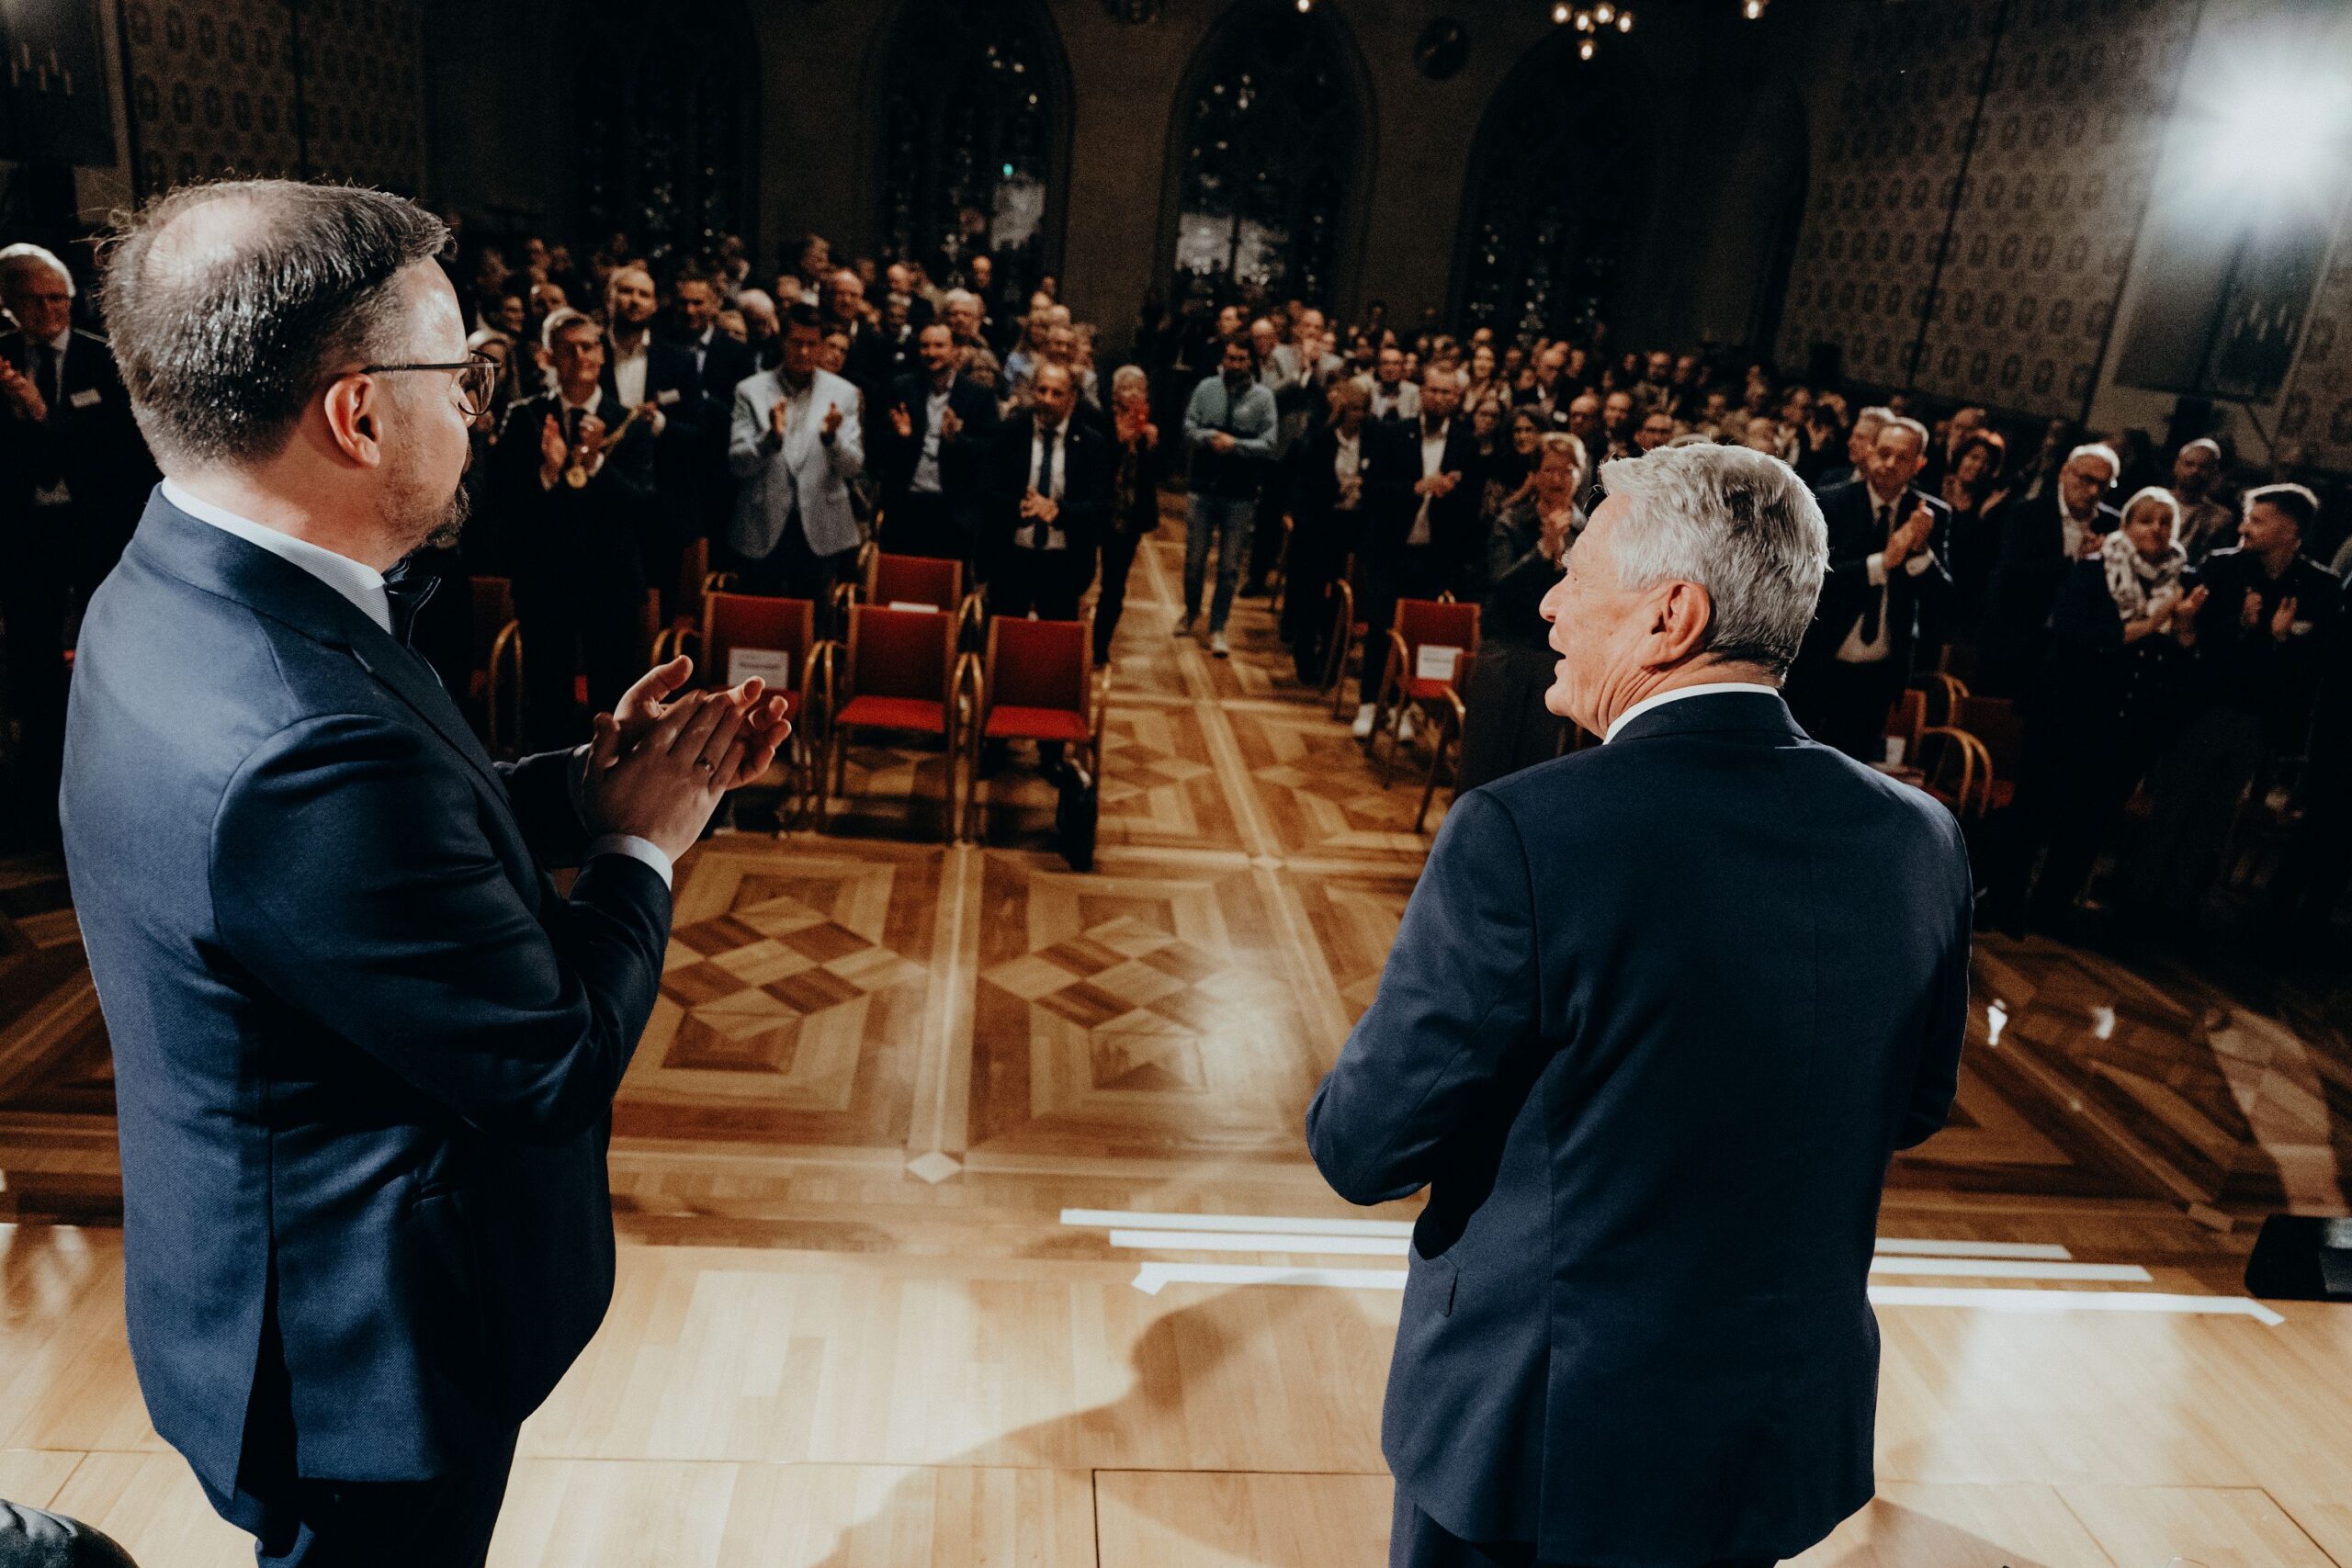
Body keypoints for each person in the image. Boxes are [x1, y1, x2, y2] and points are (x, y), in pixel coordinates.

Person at [60, 178, 788, 1568]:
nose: (475, 407)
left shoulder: (175, 583)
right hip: (365, 1358)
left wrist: (576, 789)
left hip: (259, 1272)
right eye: (460, 376)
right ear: (358, 414)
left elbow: (353, 875)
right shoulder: (302, 734)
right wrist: (644, 841)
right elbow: (551, 1063)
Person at [1307, 442, 1971, 1568]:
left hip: (1545, 1438)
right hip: (1770, 1432)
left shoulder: (1523, 833)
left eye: (1576, 574)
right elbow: (1911, 1104)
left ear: (1671, 614)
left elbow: (1364, 1149)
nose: (1549, 602)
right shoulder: (1920, 836)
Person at [2122, 483, 2342, 927]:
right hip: (2203, 709)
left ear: (2290, 530)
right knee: (2173, 807)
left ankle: (2178, 907)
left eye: (2257, 521)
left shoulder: (2320, 586)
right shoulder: (2221, 567)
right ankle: (2135, 901)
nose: (2244, 528)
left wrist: (2279, 639)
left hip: (2259, 721)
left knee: (2215, 818)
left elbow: (2318, 663)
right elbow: (2192, 636)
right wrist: (2244, 627)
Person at [1985, 486, 2197, 935]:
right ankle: (2003, 904)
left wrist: (2182, 631)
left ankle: (2051, 912)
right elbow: (2076, 632)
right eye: (2147, 519)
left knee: (2089, 822)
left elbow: (2177, 661)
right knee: (2034, 812)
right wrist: (2152, 624)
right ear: (2127, 525)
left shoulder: (2180, 583)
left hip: (2125, 720)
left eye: (2167, 522)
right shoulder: (2095, 568)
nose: (2157, 529)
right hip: (2066, 709)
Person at [0, 244, 159, 837]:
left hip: (97, 529)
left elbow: (122, 454)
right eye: (34, 299)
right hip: (27, 532)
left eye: (58, 298)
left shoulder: (104, 359)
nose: (49, 310)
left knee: (108, 648)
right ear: (9, 303)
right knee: (32, 653)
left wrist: (43, 413)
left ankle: (117, 771)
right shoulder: (3, 360)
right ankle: (41, 786)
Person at [493, 309, 662, 750]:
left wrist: (597, 464)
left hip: (612, 582)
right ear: (549, 357)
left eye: (589, 346)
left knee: (614, 701)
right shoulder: (526, 416)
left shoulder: (628, 422)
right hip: (546, 582)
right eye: (568, 349)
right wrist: (548, 473)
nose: (581, 356)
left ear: (603, 355)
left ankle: (612, 788)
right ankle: (547, 786)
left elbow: (642, 506)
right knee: (546, 701)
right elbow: (502, 504)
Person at [1785, 414, 1951, 761]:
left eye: (1901, 457)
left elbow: (1944, 599)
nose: (1889, 464)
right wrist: (1881, 564)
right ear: (1870, 452)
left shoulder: (1930, 514)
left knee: (1854, 764)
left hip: (1880, 670)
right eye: (1884, 453)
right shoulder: (1831, 501)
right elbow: (1810, 578)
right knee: (1799, 758)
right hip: (1822, 659)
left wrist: (1920, 551)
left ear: (1919, 464)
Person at [1351, 367, 1485, 739]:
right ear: (1422, 393)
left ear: (1457, 399)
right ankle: (1368, 703)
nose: (1440, 398)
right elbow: (1373, 489)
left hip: (1433, 554)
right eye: (1434, 390)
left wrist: (1450, 492)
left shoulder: (1465, 443)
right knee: (1381, 626)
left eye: (1447, 393)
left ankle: (1401, 707)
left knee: (1418, 634)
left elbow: (1472, 503)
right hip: (1390, 547)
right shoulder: (1394, 433)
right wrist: (1415, 488)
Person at [1455, 432, 1582, 791]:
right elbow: (1500, 585)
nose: (1558, 479)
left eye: (1568, 471)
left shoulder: (1588, 530)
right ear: (1535, 475)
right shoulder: (1510, 523)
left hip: (1554, 658)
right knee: (1485, 759)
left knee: (1536, 765)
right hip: (1505, 651)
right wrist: (1543, 551)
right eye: (1550, 470)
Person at [726, 301, 865, 602]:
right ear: (782, 341)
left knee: (812, 617)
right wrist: (769, 440)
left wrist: (832, 439)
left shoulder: (844, 394)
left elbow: (854, 467)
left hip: (821, 525)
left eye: (812, 344)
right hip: (762, 522)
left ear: (822, 346)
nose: (804, 352)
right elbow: (737, 464)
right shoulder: (750, 390)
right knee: (760, 616)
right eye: (796, 343)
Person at [1980, 443, 2121, 693]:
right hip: (2020, 639)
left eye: (2104, 485)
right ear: (2065, 472)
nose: (2093, 491)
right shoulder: (2027, 514)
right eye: (2087, 479)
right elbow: (2012, 578)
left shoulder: (2113, 526)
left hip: (2076, 653)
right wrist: (2076, 560)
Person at [1282, 378, 1391, 686]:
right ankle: (1305, 659)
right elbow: (1308, 485)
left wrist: (1363, 485)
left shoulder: (1373, 440)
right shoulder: (1321, 439)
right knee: (1311, 594)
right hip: (1319, 526)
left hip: (1352, 529)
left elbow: (1377, 478)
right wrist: (1337, 489)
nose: (1358, 415)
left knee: (1342, 599)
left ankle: (1330, 662)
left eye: (1363, 410)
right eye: (1353, 409)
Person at [980, 361, 1108, 622]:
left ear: (1072, 399)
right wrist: (1019, 507)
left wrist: (1058, 511)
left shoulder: (1092, 443)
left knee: (1053, 640)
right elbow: (986, 491)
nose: (1047, 400)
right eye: (1042, 390)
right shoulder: (1009, 433)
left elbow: (1099, 505)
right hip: (1012, 558)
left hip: (1063, 563)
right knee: (1006, 636)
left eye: (1056, 393)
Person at [1180, 334, 1279, 657]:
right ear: (1223, 359)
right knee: (1194, 561)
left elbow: (1269, 443)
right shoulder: (1206, 388)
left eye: (1241, 359)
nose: (1235, 365)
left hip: (1239, 493)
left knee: (1229, 567)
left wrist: (1235, 445)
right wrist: (1210, 437)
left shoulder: (1263, 398)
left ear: (1251, 362)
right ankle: (1192, 611)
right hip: (1203, 487)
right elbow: (1188, 427)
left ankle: (1218, 626)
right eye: (1231, 358)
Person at [871, 321, 1000, 564]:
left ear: (954, 350)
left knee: (946, 582)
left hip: (952, 509)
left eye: (939, 346)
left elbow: (991, 453)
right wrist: (902, 437)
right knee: (901, 578)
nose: (931, 353)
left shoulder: (978, 395)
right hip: (907, 504)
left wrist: (957, 439)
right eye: (925, 346)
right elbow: (878, 449)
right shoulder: (902, 387)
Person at [1096, 365, 1166, 665]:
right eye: (1127, 388)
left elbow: (1157, 478)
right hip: (1097, 512)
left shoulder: (1148, 424)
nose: (1134, 393)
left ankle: (1100, 645)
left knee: (1114, 585)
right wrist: (1118, 441)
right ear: (1115, 393)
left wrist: (1151, 447)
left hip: (1127, 519)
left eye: (1139, 388)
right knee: (1082, 575)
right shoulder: (1099, 421)